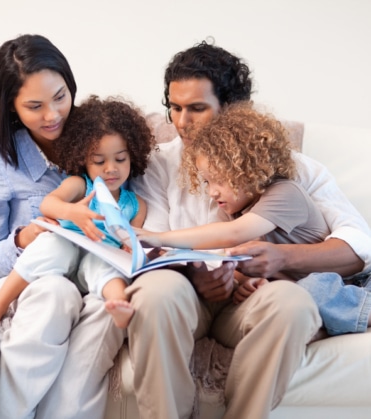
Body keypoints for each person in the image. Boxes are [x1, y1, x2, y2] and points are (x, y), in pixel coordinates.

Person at [128, 41, 371, 419]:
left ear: (234, 110)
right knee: (155, 291)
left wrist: (279, 259)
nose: (180, 122)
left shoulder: (291, 170)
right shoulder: (159, 165)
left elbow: (358, 247)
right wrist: (194, 275)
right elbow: (153, 246)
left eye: (196, 108)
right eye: (174, 108)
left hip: (248, 302)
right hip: (183, 295)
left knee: (294, 303)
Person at [0, 34, 125, 419]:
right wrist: (26, 236)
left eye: (60, 97)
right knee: (56, 293)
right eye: (35, 106)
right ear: (11, 106)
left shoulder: (95, 137)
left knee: (107, 307)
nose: (53, 115)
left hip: (92, 272)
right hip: (34, 280)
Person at [138, 102, 371, 336]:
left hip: (352, 283)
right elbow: (239, 257)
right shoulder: (234, 208)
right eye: (208, 181)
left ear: (249, 171)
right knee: (291, 294)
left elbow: (233, 235)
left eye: (220, 180)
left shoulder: (285, 194)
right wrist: (247, 282)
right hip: (299, 285)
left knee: (313, 289)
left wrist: (158, 238)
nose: (212, 192)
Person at [0, 95, 154, 329]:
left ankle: (119, 303)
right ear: (84, 161)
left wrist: (129, 246)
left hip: (99, 258)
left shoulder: (136, 204)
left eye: (120, 159)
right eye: (99, 161)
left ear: (132, 156)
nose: (111, 168)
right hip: (64, 254)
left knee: (108, 267)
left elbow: (134, 237)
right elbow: (48, 204)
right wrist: (73, 212)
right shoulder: (80, 185)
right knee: (50, 245)